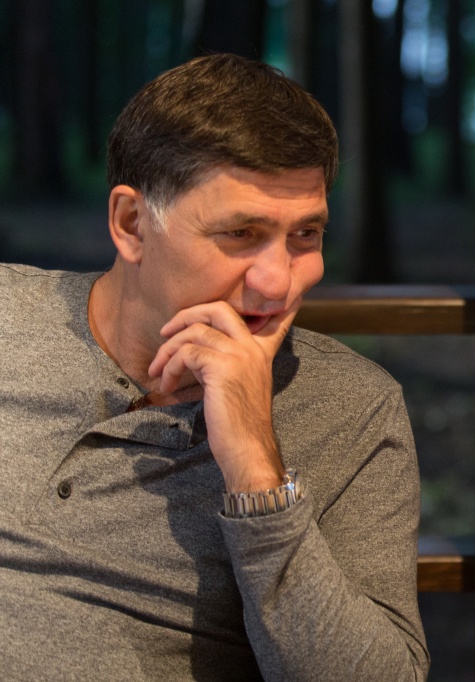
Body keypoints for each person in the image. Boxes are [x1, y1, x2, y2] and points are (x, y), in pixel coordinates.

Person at [0, 54, 428, 680]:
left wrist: (255, 467)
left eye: (306, 235)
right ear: (132, 224)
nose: (278, 281)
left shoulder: (354, 411)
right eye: (241, 234)